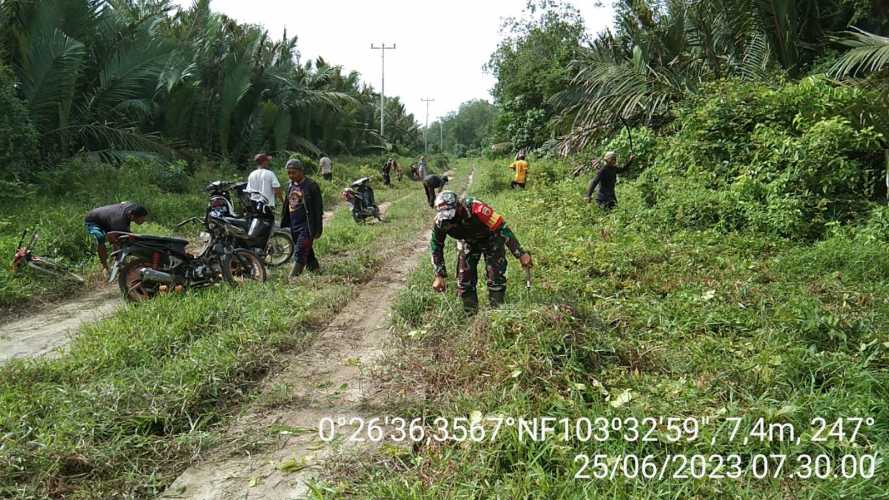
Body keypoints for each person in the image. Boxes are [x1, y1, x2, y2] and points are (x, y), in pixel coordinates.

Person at [430, 191, 533, 313]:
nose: (449, 219)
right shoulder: (440, 222)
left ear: (458, 206)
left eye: (451, 215)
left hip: (491, 238)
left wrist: (520, 254)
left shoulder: (477, 208)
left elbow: (501, 228)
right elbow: (436, 246)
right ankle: (471, 315)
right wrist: (439, 275)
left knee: (496, 276)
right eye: (445, 216)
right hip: (467, 241)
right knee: (464, 280)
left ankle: (497, 312)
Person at [280, 159, 323, 278]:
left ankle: (293, 278)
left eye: (293, 172)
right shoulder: (290, 186)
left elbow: (318, 209)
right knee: (307, 250)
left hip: (307, 225)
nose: (291, 175)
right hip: (294, 225)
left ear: (301, 171)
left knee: (299, 251)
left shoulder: (311, 186)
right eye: (289, 173)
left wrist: (318, 229)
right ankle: (315, 270)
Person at [84, 202, 148, 274]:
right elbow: (116, 238)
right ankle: (105, 267)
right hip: (93, 220)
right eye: (142, 218)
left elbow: (124, 202)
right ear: (132, 216)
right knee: (101, 237)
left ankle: (118, 262)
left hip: (108, 218)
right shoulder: (119, 220)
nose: (144, 220)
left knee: (121, 237)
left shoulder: (131, 207)